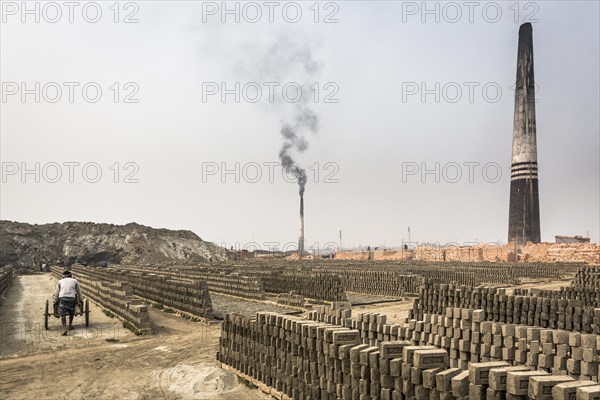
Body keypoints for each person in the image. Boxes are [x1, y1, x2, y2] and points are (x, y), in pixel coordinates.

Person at [54, 270, 83, 336]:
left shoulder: (60, 281)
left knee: (63, 314)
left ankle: (64, 328)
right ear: (71, 275)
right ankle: (70, 326)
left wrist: (55, 300)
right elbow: (79, 291)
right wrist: (81, 299)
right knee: (71, 312)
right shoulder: (75, 281)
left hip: (63, 298)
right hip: (71, 298)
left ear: (63, 276)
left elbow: (57, 292)